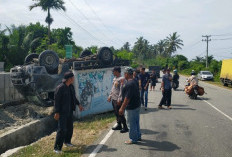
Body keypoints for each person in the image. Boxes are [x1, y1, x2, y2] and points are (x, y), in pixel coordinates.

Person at [54, 71, 84, 154]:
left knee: (70, 128)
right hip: (62, 113)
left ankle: (67, 142)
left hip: (69, 111)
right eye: (73, 77)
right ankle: (57, 148)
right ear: (69, 79)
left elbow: (73, 97)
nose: (74, 79)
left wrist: (79, 105)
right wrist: (56, 112)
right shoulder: (60, 88)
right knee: (62, 130)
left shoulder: (71, 87)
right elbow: (57, 101)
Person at [119, 67, 141, 144]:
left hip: (131, 107)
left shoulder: (129, 84)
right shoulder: (134, 81)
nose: (124, 75)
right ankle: (138, 136)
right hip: (137, 105)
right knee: (136, 122)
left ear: (127, 74)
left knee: (131, 124)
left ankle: (133, 139)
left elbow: (127, 98)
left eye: (125, 73)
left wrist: (122, 108)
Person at [108, 66, 128, 133]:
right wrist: (110, 96)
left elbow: (122, 90)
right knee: (116, 113)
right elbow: (113, 88)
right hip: (114, 99)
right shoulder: (115, 79)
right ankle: (119, 125)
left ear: (116, 71)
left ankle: (125, 127)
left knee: (120, 113)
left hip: (118, 100)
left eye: (113, 71)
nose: (113, 72)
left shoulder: (122, 79)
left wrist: (119, 99)